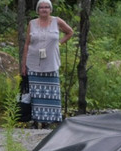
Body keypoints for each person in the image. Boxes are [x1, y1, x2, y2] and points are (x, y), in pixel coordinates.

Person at [21, 0, 74, 128]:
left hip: (51, 63)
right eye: (41, 7)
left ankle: (48, 122)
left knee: (51, 94)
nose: (44, 9)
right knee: (35, 94)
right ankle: (35, 121)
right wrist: (23, 64)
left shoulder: (57, 21)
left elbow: (70, 32)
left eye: (46, 7)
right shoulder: (32, 23)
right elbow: (27, 44)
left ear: (50, 9)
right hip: (34, 63)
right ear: (37, 10)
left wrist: (59, 43)